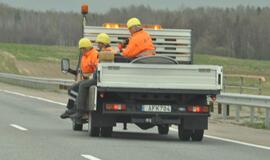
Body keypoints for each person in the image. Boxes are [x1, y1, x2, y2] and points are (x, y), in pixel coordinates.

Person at [60, 38, 98, 119]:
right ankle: (71, 109)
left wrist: (90, 76)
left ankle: (80, 110)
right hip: (85, 78)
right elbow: (82, 69)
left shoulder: (94, 55)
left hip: (93, 78)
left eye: (83, 48)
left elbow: (97, 68)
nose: (82, 50)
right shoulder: (84, 56)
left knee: (82, 86)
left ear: (87, 47)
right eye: (81, 49)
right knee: (72, 89)